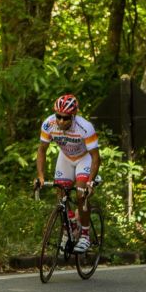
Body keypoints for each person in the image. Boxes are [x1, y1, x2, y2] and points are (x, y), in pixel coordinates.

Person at [35, 93, 101, 253]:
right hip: (65, 157)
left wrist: (90, 182)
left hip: (84, 158)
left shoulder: (85, 127)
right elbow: (42, 150)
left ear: (74, 116)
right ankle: (70, 226)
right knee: (60, 193)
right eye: (59, 116)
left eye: (66, 118)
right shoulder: (49, 124)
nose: (61, 121)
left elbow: (96, 157)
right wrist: (41, 176)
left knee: (81, 194)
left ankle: (85, 235)